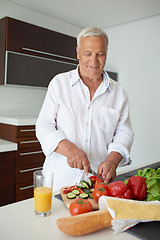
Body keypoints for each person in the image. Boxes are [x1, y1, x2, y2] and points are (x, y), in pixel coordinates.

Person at [36, 26, 134, 193]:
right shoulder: (59, 84)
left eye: (100, 54)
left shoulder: (119, 93)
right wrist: (70, 150)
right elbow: (43, 126)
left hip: (97, 184)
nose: (94, 61)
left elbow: (124, 132)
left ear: (106, 53)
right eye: (88, 53)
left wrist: (112, 160)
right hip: (59, 181)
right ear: (78, 52)